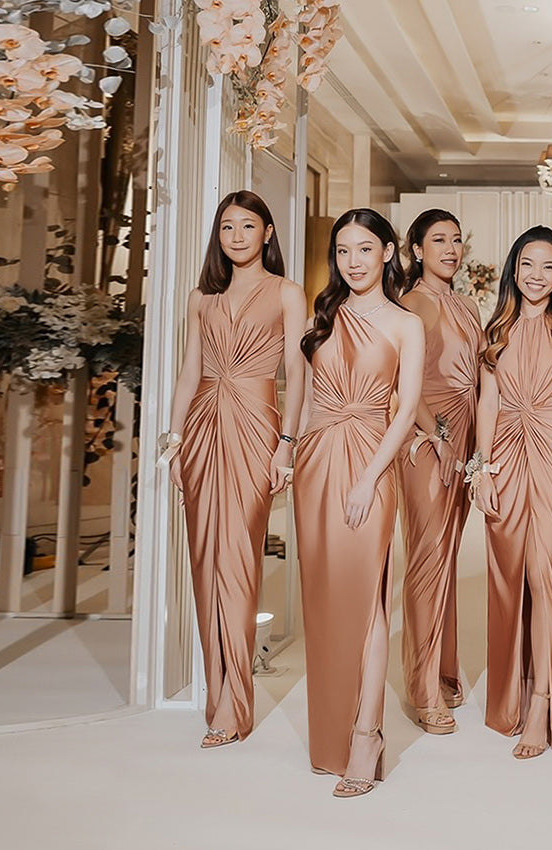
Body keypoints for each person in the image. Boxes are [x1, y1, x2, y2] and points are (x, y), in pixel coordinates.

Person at [166, 190, 306, 750]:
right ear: (218, 236)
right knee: (205, 561)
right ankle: (215, 694)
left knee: (240, 558)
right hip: (201, 427)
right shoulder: (202, 297)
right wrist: (174, 442)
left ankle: (236, 700)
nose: (238, 236)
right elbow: (187, 372)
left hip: (256, 426)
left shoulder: (287, 293)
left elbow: (296, 373)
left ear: (268, 233)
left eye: (249, 226)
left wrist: (286, 445)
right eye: (228, 227)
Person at [294, 208, 424, 797]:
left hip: (369, 464)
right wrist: (287, 450)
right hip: (315, 465)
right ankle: (331, 733)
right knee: (323, 601)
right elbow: (304, 398)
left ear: (388, 251)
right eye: (343, 251)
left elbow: (405, 409)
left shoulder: (405, 323)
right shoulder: (321, 315)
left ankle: (367, 734)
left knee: (367, 597)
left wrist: (371, 477)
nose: (353, 261)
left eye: (365, 249)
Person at [469, 225, 552, 759]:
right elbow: (487, 404)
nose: (537, 276)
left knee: (548, 575)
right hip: (503, 456)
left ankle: (543, 700)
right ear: (513, 268)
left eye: (549, 267)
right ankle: (510, 694)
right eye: (528, 264)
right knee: (507, 578)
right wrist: (481, 467)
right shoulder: (497, 326)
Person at [397, 209, 482, 734]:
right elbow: (403, 379)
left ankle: (443, 670)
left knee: (447, 557)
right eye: (438, 240)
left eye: (456, 239)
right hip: (429, 439)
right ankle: (423, 688)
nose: (450, 248)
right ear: (417, 250)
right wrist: (440, 433)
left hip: (464, 435)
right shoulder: (411, 304)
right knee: (426, 560)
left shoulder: (468, 304)